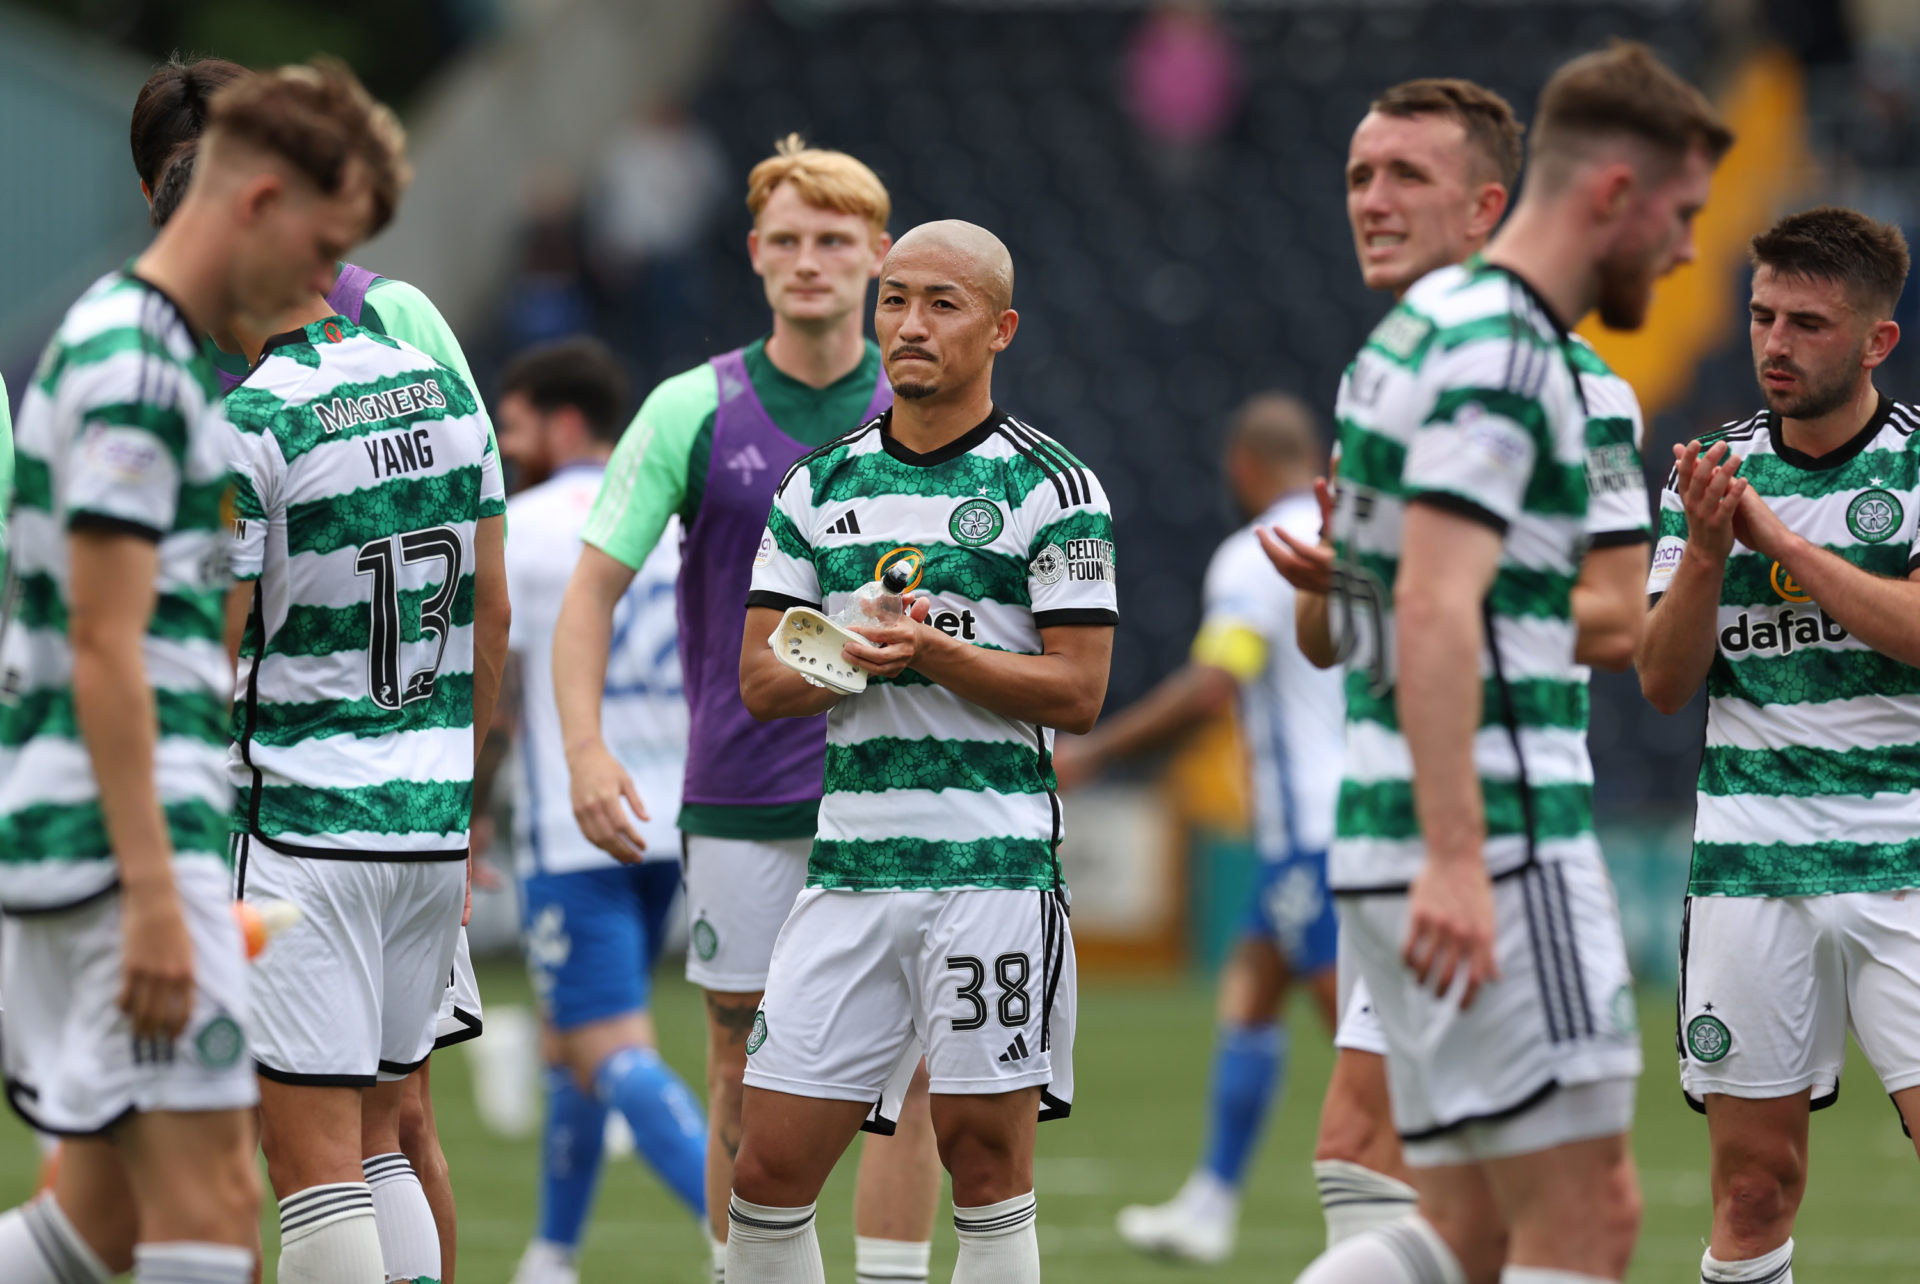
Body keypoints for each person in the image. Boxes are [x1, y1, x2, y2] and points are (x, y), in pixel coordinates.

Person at [1287, 43, 1730, 1284]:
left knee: (1465, 1230)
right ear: (1614, 195)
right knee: (1586, 1223)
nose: (1692, 249)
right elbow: (1432, 605)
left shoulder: (1410, 338)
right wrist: (1458, 853)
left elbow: (1409, 601)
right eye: (1683, 214)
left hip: (1402, 825)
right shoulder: (1508, 355)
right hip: (1492, 831)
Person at [0, 58, 399, 1284]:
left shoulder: (149, 348)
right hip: (122, 847)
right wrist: (161, 892)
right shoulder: (137, 366)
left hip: (123, 831)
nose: (325, 288)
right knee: (219, 1196)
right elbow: (108, 644)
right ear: (256, 202)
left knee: (104, 1223)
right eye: (322, 245)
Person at [555, 134, 941, 1284]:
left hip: (904, 789)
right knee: (741, 1054)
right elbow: (588, 596)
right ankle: (746, 1270)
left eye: (834, 240)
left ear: (878, 255)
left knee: (908, 1068)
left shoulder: (925, 403)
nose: (810, 261)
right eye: (787, 240)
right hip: (740, 791)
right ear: (755, 254)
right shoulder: (692, 408)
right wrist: (584, 747)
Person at [133, 57, 489, 1276]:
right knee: (385, 1136)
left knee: (315, 1161)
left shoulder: (251, 421)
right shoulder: (433, 378)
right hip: (429, 815)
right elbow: (482, 599)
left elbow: (207, 649)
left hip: (302, 822)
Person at [729, 217, 1110, 1284]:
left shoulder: (1054, 489)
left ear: (1000, 328)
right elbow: (761, 682)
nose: (908, 323)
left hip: (991, 869)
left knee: (985, 1170)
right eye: (894, 299)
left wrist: (931, 654)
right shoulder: (817, 488)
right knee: (766, 1172)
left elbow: (1078, 691)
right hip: (849, 872)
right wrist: (854, 655)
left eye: (942, 303)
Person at [1638, 206, 1919, 1284]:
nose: (1774, 343)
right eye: (1761, 316)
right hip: (1750, 862)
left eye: (1806, 322)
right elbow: (1664, 684)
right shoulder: (1708, 475)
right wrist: (1709, 548)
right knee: (1753, 1190)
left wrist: (1778, 538)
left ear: (1875, 341)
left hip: (1906, 852)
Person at [1051, 392, 1343, 1263]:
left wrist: (1096, 752)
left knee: (1369, 1045)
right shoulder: (1349, 535)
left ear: (1242, 468)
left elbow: (1217, 683)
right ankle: (1211, 1202)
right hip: (1343, 820)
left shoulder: (1257, 554)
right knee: (1252, 986)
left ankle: (1425, 1219)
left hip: (1313, 834)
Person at [489, 339, 707, 1284]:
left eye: (514, 427)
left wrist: (462, 809)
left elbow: (489, 687)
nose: (506, 447)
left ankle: (753, 1241)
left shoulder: (526, 526)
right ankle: (553, 1253)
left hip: (578, 821)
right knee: (568, 1035)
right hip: (681, 813)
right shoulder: (674, 519)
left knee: (606, 1045)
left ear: (562, 422)